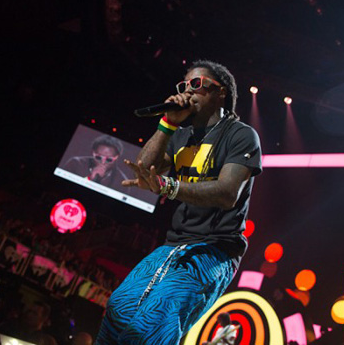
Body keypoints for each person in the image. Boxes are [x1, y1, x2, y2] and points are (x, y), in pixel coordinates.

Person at [95, 60, 262, 344]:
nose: (188, 91)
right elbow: (145, 168)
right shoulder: (181, 134)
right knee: (118, 309)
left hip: (215, 248)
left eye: (197, 84)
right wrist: (168, 123)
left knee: (158, 315)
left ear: (221, 93)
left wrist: (169, 186)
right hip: (174, 244)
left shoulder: (241, 135)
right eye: (184, 85)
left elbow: (227, 193)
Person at [64, 135, 129, 193]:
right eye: (98, 157)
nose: (103, 162)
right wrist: (89, 178)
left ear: (116, 157)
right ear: (93, 153)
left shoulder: (122, 182)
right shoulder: (76, 163)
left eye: (109, 159)